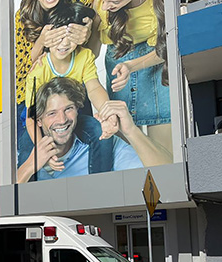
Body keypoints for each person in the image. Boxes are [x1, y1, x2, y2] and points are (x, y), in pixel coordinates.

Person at [17, 77, 171, 182]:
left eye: (68, 109)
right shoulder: (21, 153)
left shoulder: (102, 142)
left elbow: (167, 177)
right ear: (38, 121)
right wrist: (30, 165)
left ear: (77, 109)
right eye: (52, 113)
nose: (62, 120)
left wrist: (130, 130)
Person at [24, 2, 118, 151]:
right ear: (48, 37)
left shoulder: (84, 56)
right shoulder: (39, 69)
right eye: (59, 38)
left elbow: (94, 88)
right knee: (27, 149)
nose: (65, 44)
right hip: (41, 117)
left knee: (99, 133)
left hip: (73, 111)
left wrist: (108, 113)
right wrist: (41, 147)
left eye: (71, 37)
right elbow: (31, 116)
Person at [15, 0, 96, 166]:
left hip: (71, 90)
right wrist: (42, 42)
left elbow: (89, 53)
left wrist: (89, 30)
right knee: (29, 151)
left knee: (88, 140)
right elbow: (21, 71)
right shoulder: (22, 17)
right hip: (32, 94)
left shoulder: (78, 4)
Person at [91, 0, 172, 157]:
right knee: (127, 156)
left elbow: (168, 46)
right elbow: (90, 53)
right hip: (119, 72)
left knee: (163, 153)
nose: (106, 6)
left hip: (155, 70)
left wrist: (131, 66)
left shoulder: (158, 4)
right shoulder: (100, 5)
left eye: (112, 1)